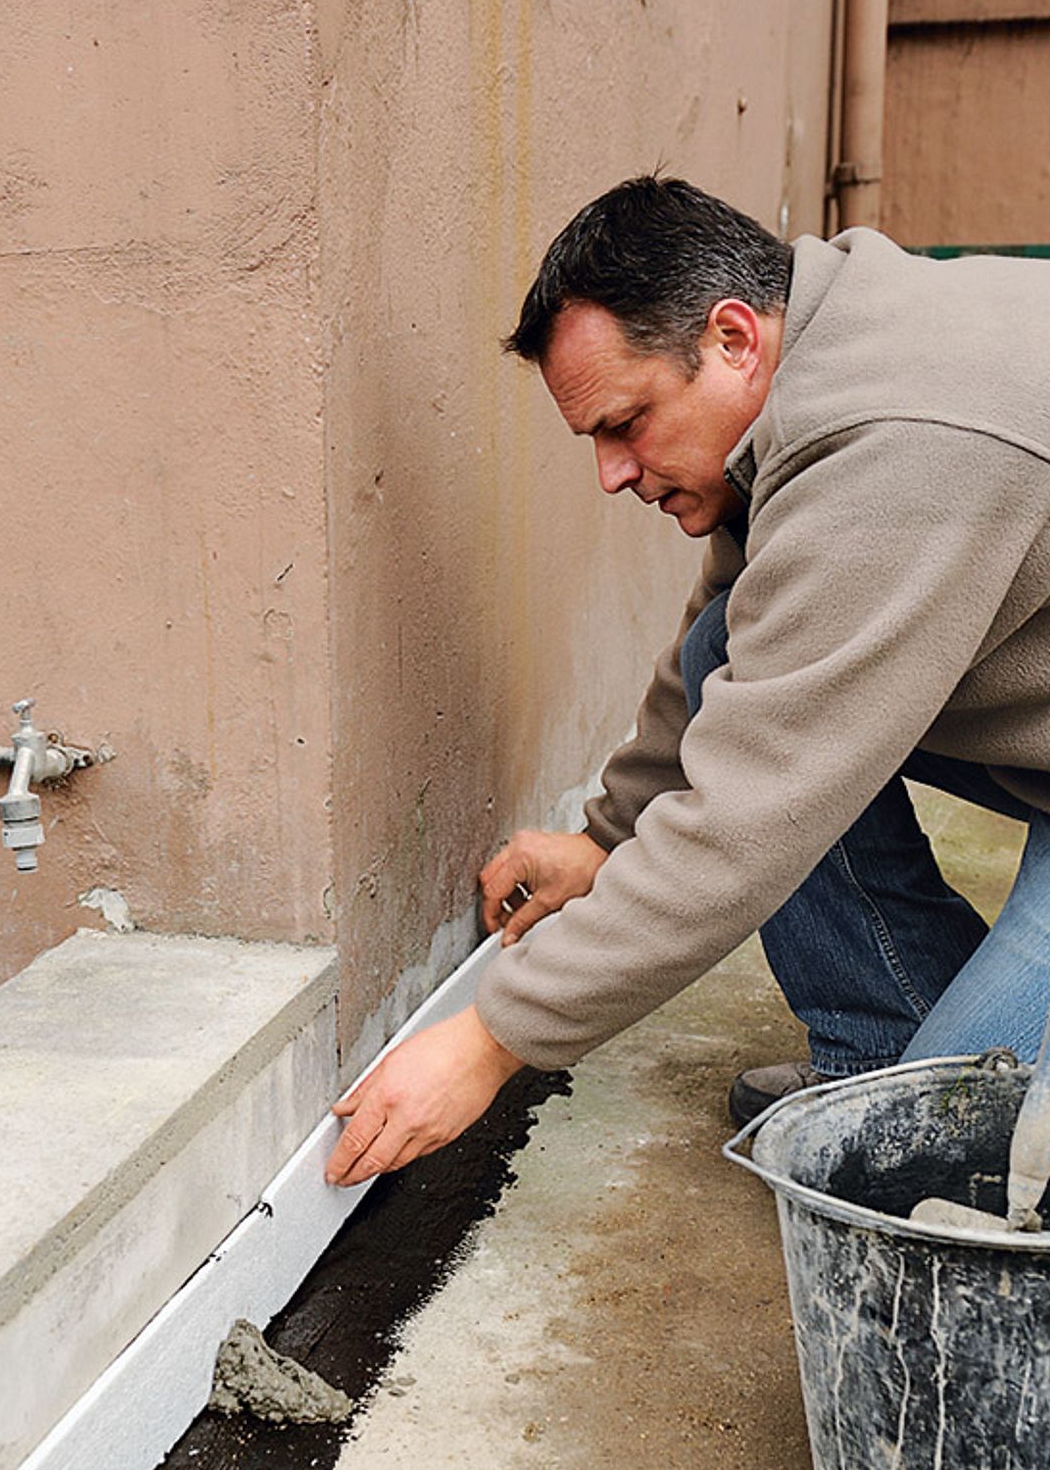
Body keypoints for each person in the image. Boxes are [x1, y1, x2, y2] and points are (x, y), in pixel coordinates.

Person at [325, 174, 1050, 1189]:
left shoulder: (901, 448)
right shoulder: (823, 350)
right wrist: (605, 838)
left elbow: (749, 812)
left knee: (958, 1168)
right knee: (736, 658)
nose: (612, 473)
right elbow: (740, 640)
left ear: (734, 338)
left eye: (626, 423)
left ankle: (922, 1099)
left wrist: (492, 1037)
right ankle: (889, 1052)